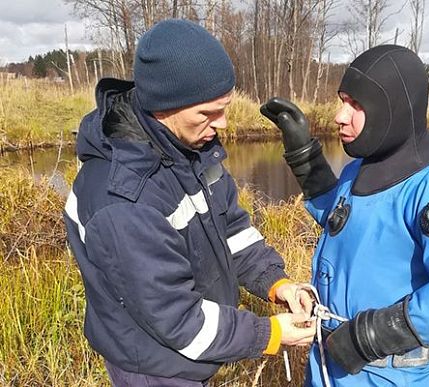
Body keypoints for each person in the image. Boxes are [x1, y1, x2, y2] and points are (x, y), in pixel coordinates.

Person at [63, 19, 316, 386]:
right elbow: (179, 321)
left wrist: (278, 284)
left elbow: (232, 230)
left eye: (224, 108)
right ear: (164, 107)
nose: (224, 124)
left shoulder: (191, 149)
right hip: (154, 367)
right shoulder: (123, 200)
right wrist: (270, 334)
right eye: (208, 113)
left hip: (189, 353)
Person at [261, 45, 429, 386]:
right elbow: (349, 227)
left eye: (356, 104)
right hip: (328, 366)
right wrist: (305, 158)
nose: (340, 115)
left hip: (388, 375)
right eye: (342, 100)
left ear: (391, 108)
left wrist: (370, 336)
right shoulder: (360, 169)